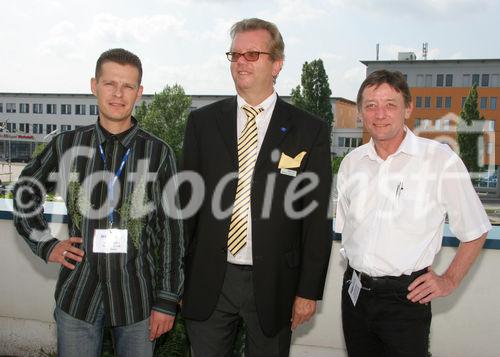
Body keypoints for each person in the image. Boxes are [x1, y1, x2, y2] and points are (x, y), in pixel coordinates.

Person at [13, 48, 183, 357]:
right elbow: (25, 193)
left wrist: (167, 299)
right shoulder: (67, 144)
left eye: (128, 86)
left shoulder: (159, 154)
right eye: (110, 83)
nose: (118, 94)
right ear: (94, 85)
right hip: (79, 295)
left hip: (138, 300)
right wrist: (47, 244)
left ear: (139, 92)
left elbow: (173, 233)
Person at [180, 18, 332, 357]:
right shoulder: (202, 123)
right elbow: (186, 207)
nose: (240, 62)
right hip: (209, 280)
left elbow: (316, 220)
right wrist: (175, 279)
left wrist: (308, 292)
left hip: (276, 283)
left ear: (276, 64)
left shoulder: (309, 131)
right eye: (234, 55)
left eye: (252, 54)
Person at [335, 69, 491, 357]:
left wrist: (449, 279)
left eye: (390, 104)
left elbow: (477, 229)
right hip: (355, 294)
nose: (380, 114)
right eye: (371, 105)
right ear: (360, 113)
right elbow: (348, 229)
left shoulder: (439, 161)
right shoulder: (351, 164)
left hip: (406, 298)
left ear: (407, 109)